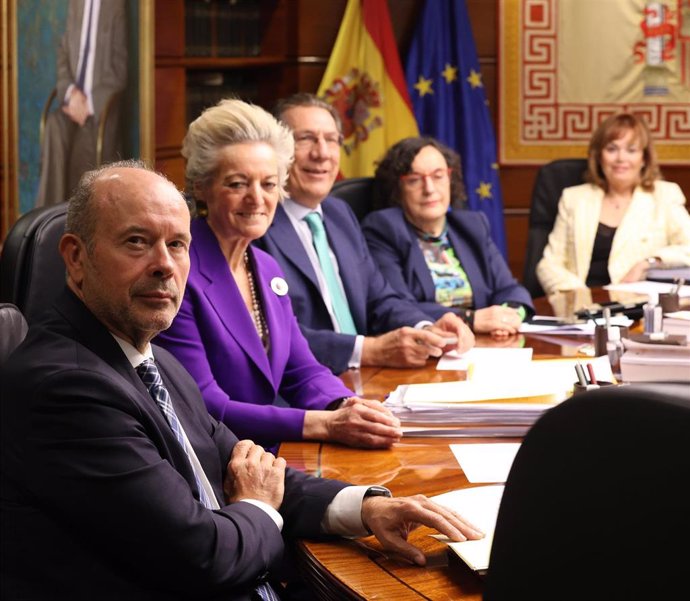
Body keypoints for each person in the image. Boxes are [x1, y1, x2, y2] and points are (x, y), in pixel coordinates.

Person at [0, 161, 483, 600]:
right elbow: (207, 557)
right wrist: (255, 505)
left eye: (177, 244)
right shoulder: (65, 387)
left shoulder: (155, 361)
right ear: (75, 257)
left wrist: (366, 508)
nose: (165, 265)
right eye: (136, 241)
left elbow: (254, 473)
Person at [155, 99, 401, 451]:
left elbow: (300, 369)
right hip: (216, 465)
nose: (257, 199)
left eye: (269, 185)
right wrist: (323, 423)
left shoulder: (266, 267)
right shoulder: (178, 272)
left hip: (274, 452)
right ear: (201, 187)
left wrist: (346, 405)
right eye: (238, 184)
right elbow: (205, 405)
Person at [255, 93, 474, 375]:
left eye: (331, 139)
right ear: (277, 151)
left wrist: (426, 327)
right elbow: (270, 333)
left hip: (369, 378)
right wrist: (368, 350)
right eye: (306, 139)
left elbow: (380, 299)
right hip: (305, 386)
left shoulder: (339, 214)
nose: (322, 152)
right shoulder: (259, 224)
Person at [363, 137, 534, 337]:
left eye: (438, 176)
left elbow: (510, 288)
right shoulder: (384, 229)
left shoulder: (472, 226)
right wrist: (470, 319)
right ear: (397, 188)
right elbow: (395, 306)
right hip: (424, 347)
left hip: (485, 343)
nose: (429, 189)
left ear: (450, 179)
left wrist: (510, 315)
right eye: (414, 179)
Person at [536, 112, 690, 295]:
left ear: (644, 158)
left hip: (636, 308)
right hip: (582, 309)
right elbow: (549, 264)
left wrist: (649, 263)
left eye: (631, 150)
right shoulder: (574, 199)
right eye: (611, 149)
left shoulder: (664, 195)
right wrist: (581, 297)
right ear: (599, 157)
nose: (620, 158)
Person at [35, 0, 127, 208]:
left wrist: (89, 105)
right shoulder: (75, 3)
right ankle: (46, 217)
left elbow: (120, 70)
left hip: (99, 110)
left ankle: (73, 223)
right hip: (72, 104)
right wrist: (70, 93)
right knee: (54, 126)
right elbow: (63, 53)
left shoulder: (115, 6)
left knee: (82, 148)